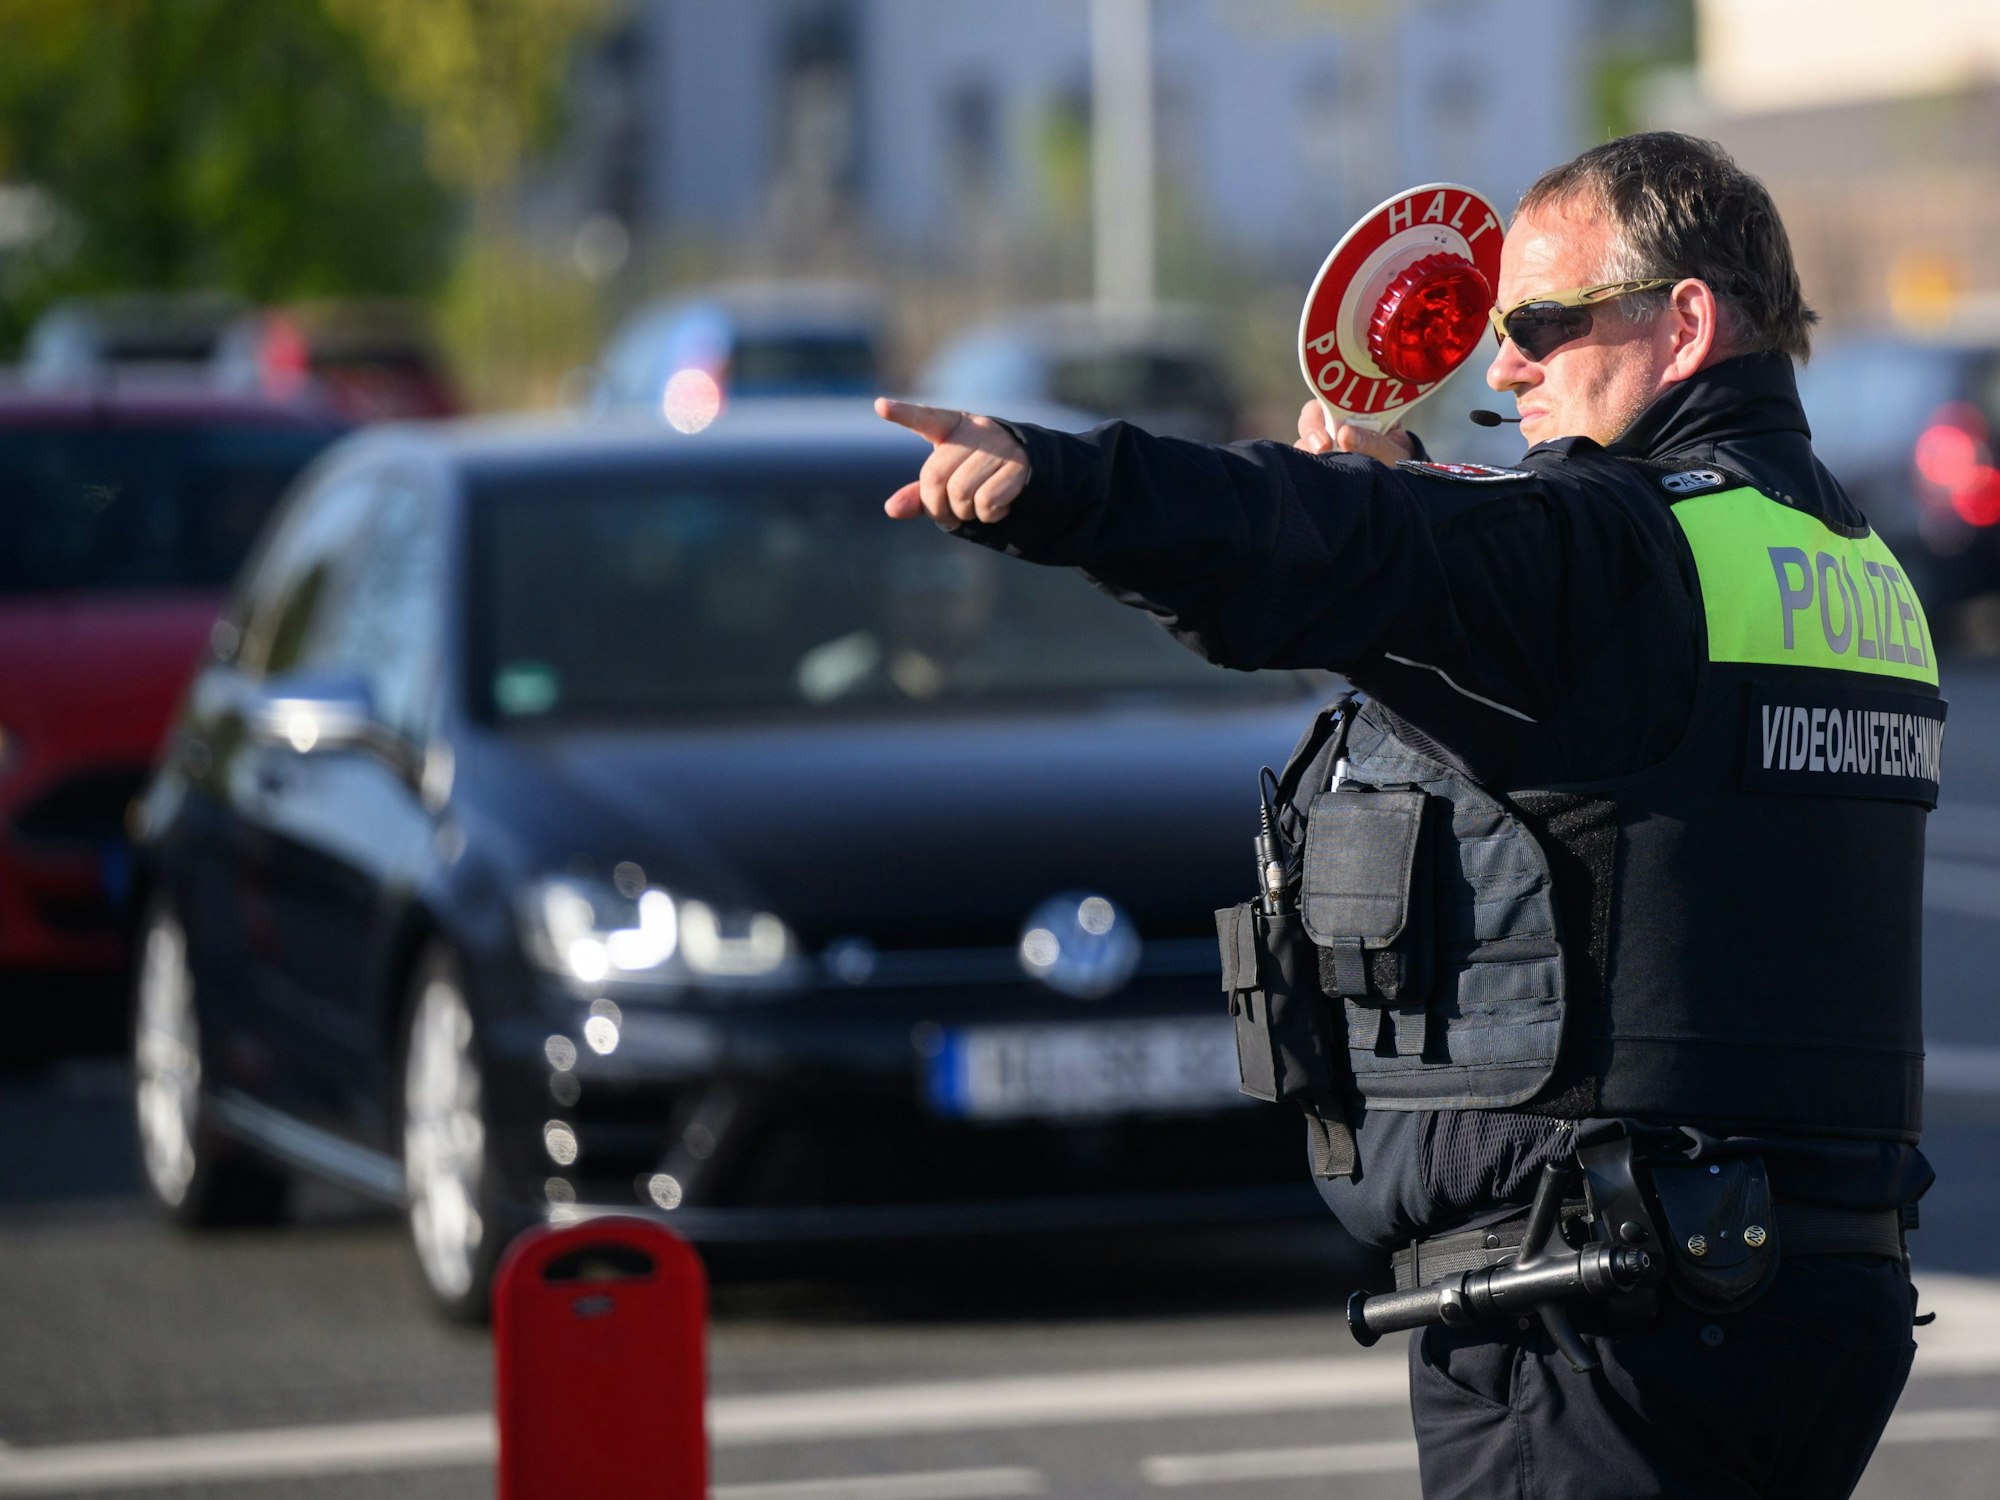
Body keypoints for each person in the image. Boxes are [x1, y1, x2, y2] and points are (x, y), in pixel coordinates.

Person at [875, 132, 1935, 1499]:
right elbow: (1521, 631)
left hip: (1601, 1312)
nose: (1505, 368)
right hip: (1816, 1292)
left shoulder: (1618, 546)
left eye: (1543, 326)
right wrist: (1398, 508)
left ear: (1684, 323)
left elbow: (1344, 543)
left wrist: (1068, 486)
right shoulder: (1851, 565)